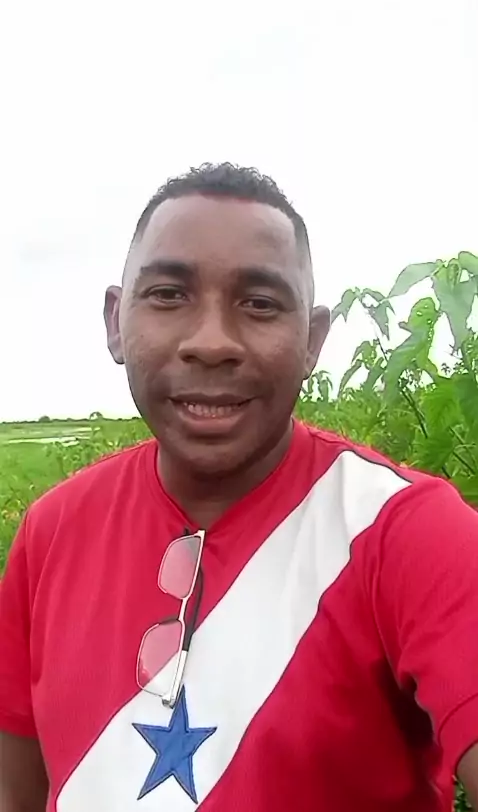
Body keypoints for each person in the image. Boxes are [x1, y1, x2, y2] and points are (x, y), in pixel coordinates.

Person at [1, 163, 478, 812]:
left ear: (312, 342)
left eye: (259, 304)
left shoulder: (405, 531)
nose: (211, 343)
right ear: (116, 321)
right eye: (169, 294)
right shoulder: (52, 531)